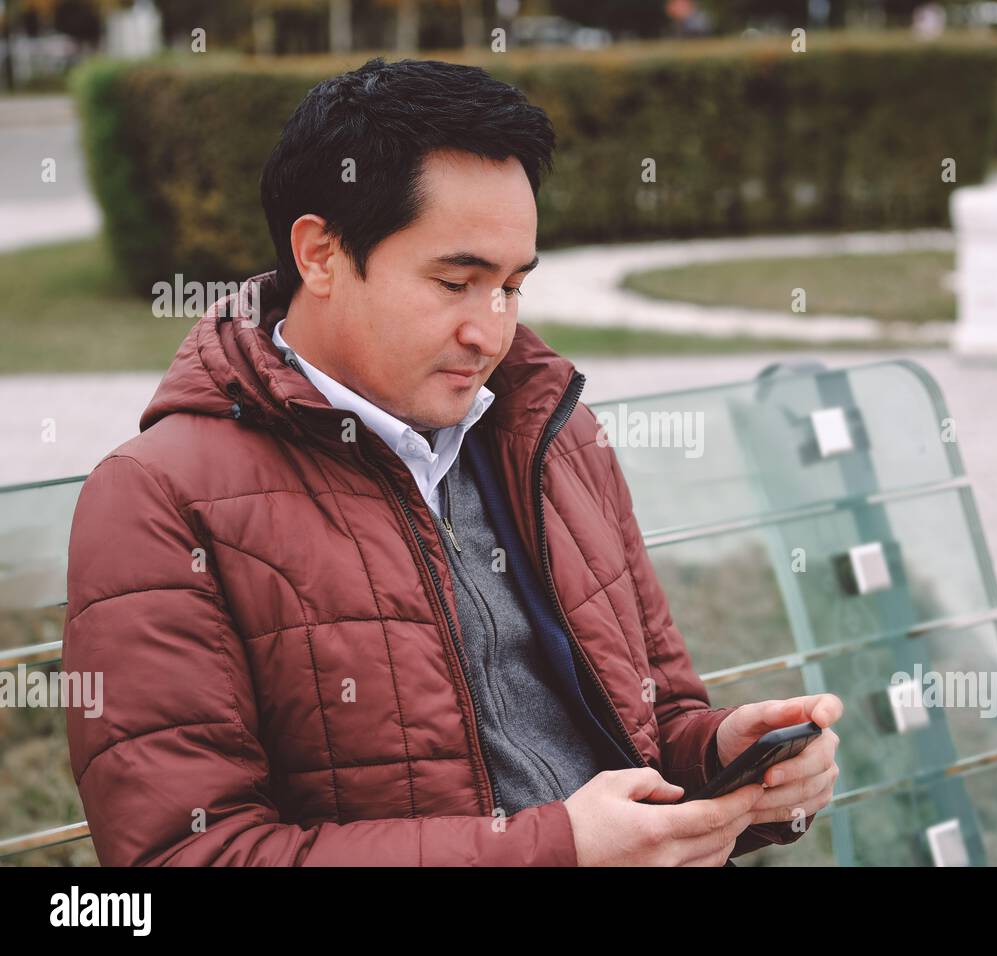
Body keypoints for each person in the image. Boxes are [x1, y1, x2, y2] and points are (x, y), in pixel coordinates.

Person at [63, 57, 840, 866]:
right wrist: (553, 851)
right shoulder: (156, 499)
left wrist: (724, 762)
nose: (491, 331)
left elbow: (657, 722)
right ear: (320, 255)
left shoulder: (555, 437)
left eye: (512, 286)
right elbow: (186, 856)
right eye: (456, 282)